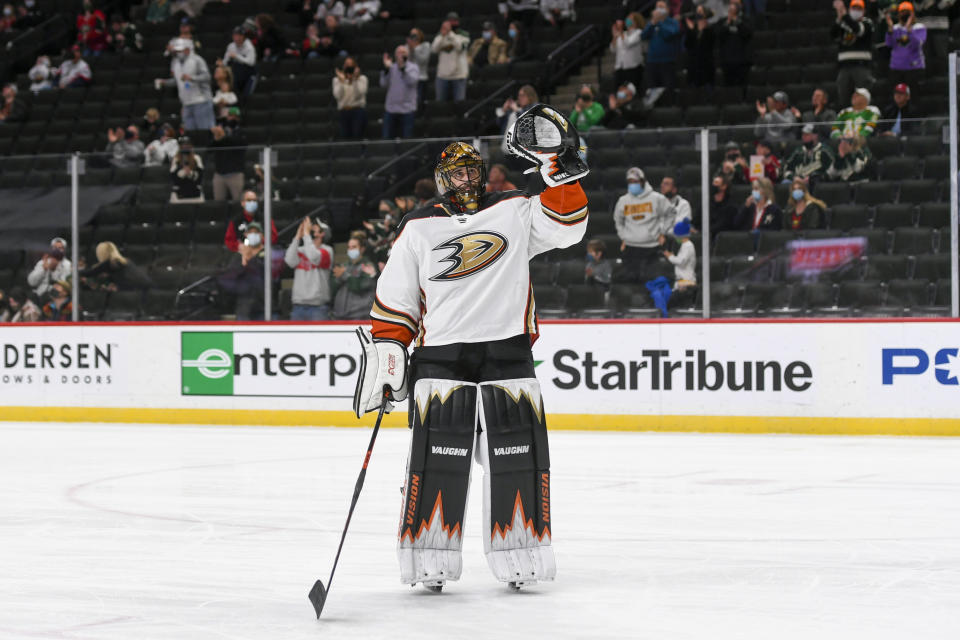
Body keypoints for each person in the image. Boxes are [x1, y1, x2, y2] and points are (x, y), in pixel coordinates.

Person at [353, 104, 589, 592]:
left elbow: (569, 226)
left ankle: (520, 547)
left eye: (472, 169)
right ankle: (428, 553)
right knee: (438, 455)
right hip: (441, 356)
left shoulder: (515, 209)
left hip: (507, 351)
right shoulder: (417, 228)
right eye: (456, 171)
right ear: (441, 178)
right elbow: (395, 304)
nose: (465, 178)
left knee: (517, 453)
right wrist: (390, 356)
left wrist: (556, 170)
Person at [614, 167, 674, 283]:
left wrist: (663, 232)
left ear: (642, 181)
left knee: (651, 283)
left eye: (635, 182)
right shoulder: (623, 200)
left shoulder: (656, 198)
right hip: (630, 249)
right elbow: (618, 220)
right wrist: (623, 236)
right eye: (630, 182)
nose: (632, 184)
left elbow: (670, 213)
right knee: (630, 283)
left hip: (652, 249)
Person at [156, 39, 215, 131]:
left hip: (201, 101)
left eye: (180, 51)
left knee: (204, 131)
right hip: (186, 103)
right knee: (190, 133)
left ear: (187, 50)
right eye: (177, 51)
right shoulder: (175, 63)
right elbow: (177, 81)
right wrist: (164, 82)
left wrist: (192, 78)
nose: (178, 53)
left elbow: (207, 77)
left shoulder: (197, 60)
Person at [285, 217, 334, 321]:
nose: (311, 229)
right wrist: (298, 237)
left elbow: (314, 257)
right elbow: (289, 261)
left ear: (322, 233)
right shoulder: (301, 250)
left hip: (318, 307)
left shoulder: (327, 251)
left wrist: (306, 235)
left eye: (315, 229)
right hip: (298, 305)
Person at [831, 0, 875, 106]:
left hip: (861, 66)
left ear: (864, 11)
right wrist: (839, 17)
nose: (856, 11)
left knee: (863, 97)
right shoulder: (843, 23)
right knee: (844, 98)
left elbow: (858, 30)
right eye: (854, 8)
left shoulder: (867, 23)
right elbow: (833, 35)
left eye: (859, 9)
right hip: (844, 67)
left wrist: (845, 15)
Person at [218, 222, 265, 320]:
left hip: (265, 307)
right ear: (246, 235)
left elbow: (270, 274)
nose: (253, 235)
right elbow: (228, 278)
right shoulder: (238, 257)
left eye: (256, 232)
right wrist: (244, 260)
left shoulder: (267, 254)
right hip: (244, 306)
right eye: (250, 232)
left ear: (261, 235)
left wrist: (251, 259)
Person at [331, 231, 377, 319]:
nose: (351, 250)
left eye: (354, 247)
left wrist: (344, 275)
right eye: (349, 247)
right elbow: (333, 288)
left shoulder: (367, 266)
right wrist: (337, 279)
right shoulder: (344, 265)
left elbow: (360, 286)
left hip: (360, 315)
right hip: (341, 315)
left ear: (362, 249)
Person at [80, 241, 152, 294]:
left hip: (136, 290)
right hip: (145, 287)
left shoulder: (109, 263)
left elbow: (89, 273)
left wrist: (74, 270)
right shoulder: (124, 261)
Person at [381, 44, 419, 139]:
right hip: (391, 109)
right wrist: (386, 70)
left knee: (407, 139)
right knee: (387, 138)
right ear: (395, 55)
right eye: (399, 52)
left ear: (408, 55)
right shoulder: (391, 67)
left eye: (403, 52)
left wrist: (403, 69)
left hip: (407, 109)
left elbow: (412, 81)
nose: (401, 55)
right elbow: (383, 84)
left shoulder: (413, 67)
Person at [885, 1, 927, 85]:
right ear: (898, 14)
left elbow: (917, 44)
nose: (904, 14)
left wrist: (909, 30)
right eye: (902, 12)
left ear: (912, 14)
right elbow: (889, 44)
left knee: (914, 94)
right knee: (897, 95)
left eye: (907, 12)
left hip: (914, 67)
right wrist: (890, 30)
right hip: (896, 67)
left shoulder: (919, 27)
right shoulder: (895, 28)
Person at [210, 108, 247, 201]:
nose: (232, 118)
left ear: (238, 118)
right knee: (218, 203)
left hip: (235, 174)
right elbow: (209, 149)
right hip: (219, 174)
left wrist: (224, 137)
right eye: (230, 116)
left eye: (234, 116)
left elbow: (240, 144)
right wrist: (216, 138)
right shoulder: (221, 129)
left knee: (238, 202)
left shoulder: (241, 132)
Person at [642, 1, 681, 89]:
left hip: (667, 61)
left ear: (667, 9)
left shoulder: (673, 22)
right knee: (652, 88)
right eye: (657, 7)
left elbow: (668, 35)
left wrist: (659, 23)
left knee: (668, 89)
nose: (658, 9)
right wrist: (652, 23)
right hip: (652, 61)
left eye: (661, 7)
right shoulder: (652, 23)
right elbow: (643, 36)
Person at [716, 0, 753, 88]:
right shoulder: (723, 21)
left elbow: (747, 34)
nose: (733, 6)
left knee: (742, 86)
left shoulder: (746, 20)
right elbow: (718, 35)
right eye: (731, 4)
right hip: (727, 60)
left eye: (736, 4)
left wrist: (737, 21)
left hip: (742, 60)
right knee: (728, 87)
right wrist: (728, 22)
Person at [432, 18, 470, 103]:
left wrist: (450, 34)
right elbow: (434, 49)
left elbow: (460, 47)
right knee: (440, 104)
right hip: (442, 76)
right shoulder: (440, 36)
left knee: (459, 104)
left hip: (459, 75)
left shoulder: (463, 35)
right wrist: (443, 36)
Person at [333, 56, 368, 139]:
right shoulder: (337, 80)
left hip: (358, 111)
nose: (348, 67)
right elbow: (337, 95)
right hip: (343, 111)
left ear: (355, 67)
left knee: (357, 136)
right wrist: (342, 81)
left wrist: (354, 79)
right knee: (345, 138)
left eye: (350, 65)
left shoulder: (362, 79)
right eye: (346, 65)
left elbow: (358, 95)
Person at [496, 84, 538, 152]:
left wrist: (517, 110)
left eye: (523, 95)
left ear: (530, 96)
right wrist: (504, 110)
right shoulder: (514, 109)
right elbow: (499, 124)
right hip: (508, 149)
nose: (519, 98)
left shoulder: (535, 107)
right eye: (519, 95)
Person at [684, 5, 716, 89]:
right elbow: (687, 44)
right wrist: (691, 30)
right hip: (694, 63)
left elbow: (710, 44)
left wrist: (702, 30)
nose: (698, 14)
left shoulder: (710, 28)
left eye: (700, 11)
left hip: (706, 63)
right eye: (697, 11)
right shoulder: (692, 28)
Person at [610, 13, 645, 90]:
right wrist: (615, 37)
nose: (627, 21)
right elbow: (613, 49)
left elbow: (628, 43)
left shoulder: (638, 32)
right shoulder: (623, 34)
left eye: (630, 19)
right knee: (617, 90)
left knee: (632, 91)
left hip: (633, 69)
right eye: (627, 19)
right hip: (620, 68)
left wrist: (621, 31)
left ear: (636, 21)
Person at [662, 219, 697, 292]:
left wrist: (670, 256)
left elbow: (681, 262)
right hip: (682, 280)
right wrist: (672, 256)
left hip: (686, 280)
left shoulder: (688, 246)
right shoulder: (685, 245)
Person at [169, 136, 205, 202]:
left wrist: (190, 173)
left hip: (194, 191)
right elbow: (173, 176)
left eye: (187, 144)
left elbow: (200, 175)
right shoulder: (176, 159)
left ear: (191, 146)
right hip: (180, 192)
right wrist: (183, 172)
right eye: (183, 144)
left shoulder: (196, 158)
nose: (185, 146)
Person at [223, 27, 256, 95]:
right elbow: (225, 61)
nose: (237, 38)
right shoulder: (231, 46)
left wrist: (236, 56)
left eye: (239, 35)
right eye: (235, 35)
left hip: (247, 72)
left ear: (243, 36)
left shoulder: (249, 47)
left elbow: (251, 62)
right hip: (235, 72)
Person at [406, 28, 431, 108]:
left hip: (421, 77)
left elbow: (423, 61)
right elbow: (406, 62)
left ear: (420, 35)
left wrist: (415, 48)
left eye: (415, 35)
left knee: (419, 100)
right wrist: (410, 49)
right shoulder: (407, 47)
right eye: (412, 35)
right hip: (409, 77)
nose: (414, 37)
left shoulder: (425, 45)